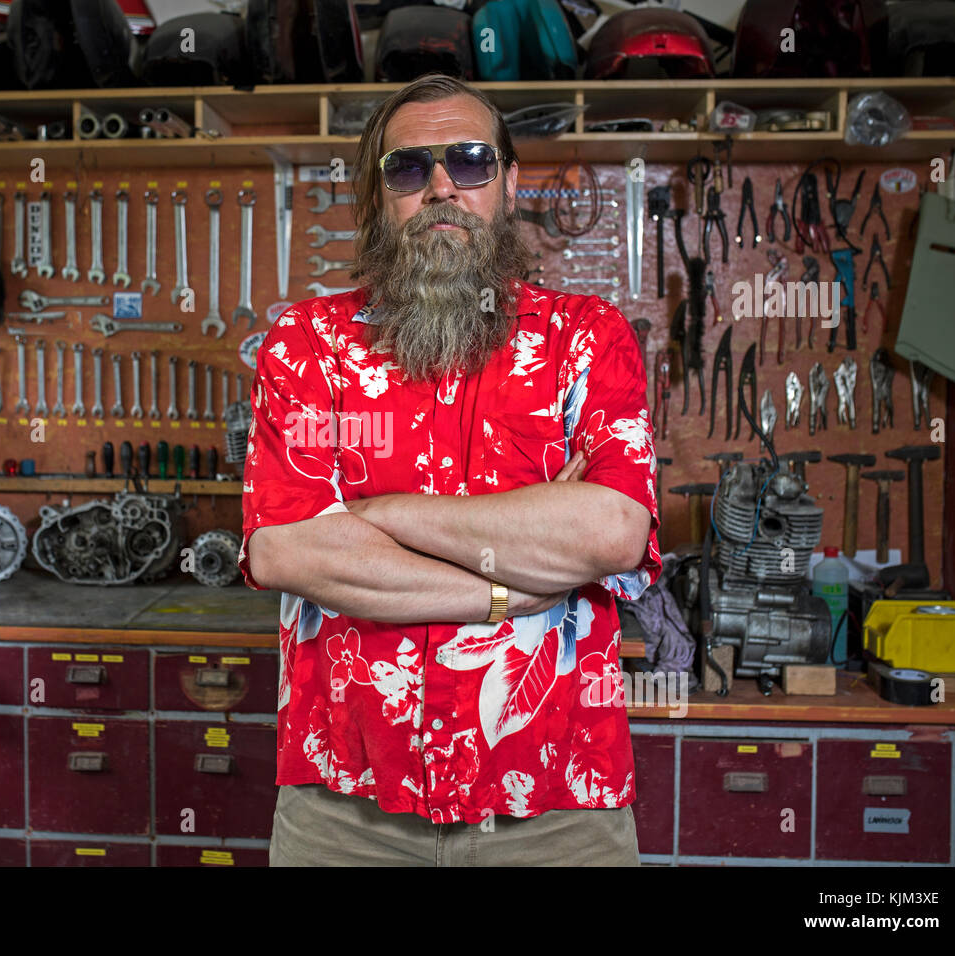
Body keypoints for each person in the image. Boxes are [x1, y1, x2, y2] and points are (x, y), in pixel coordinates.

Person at [238, 73, 661, 866]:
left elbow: (611, 535)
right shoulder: (307, 343)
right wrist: (514, 587)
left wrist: (378, 515)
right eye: (408, 168)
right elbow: (285, 551)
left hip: (557, 808)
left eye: (469, 162)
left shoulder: (587, 339)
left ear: (508, 182)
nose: (440, 187)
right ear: (379, 196)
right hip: (344, 809)